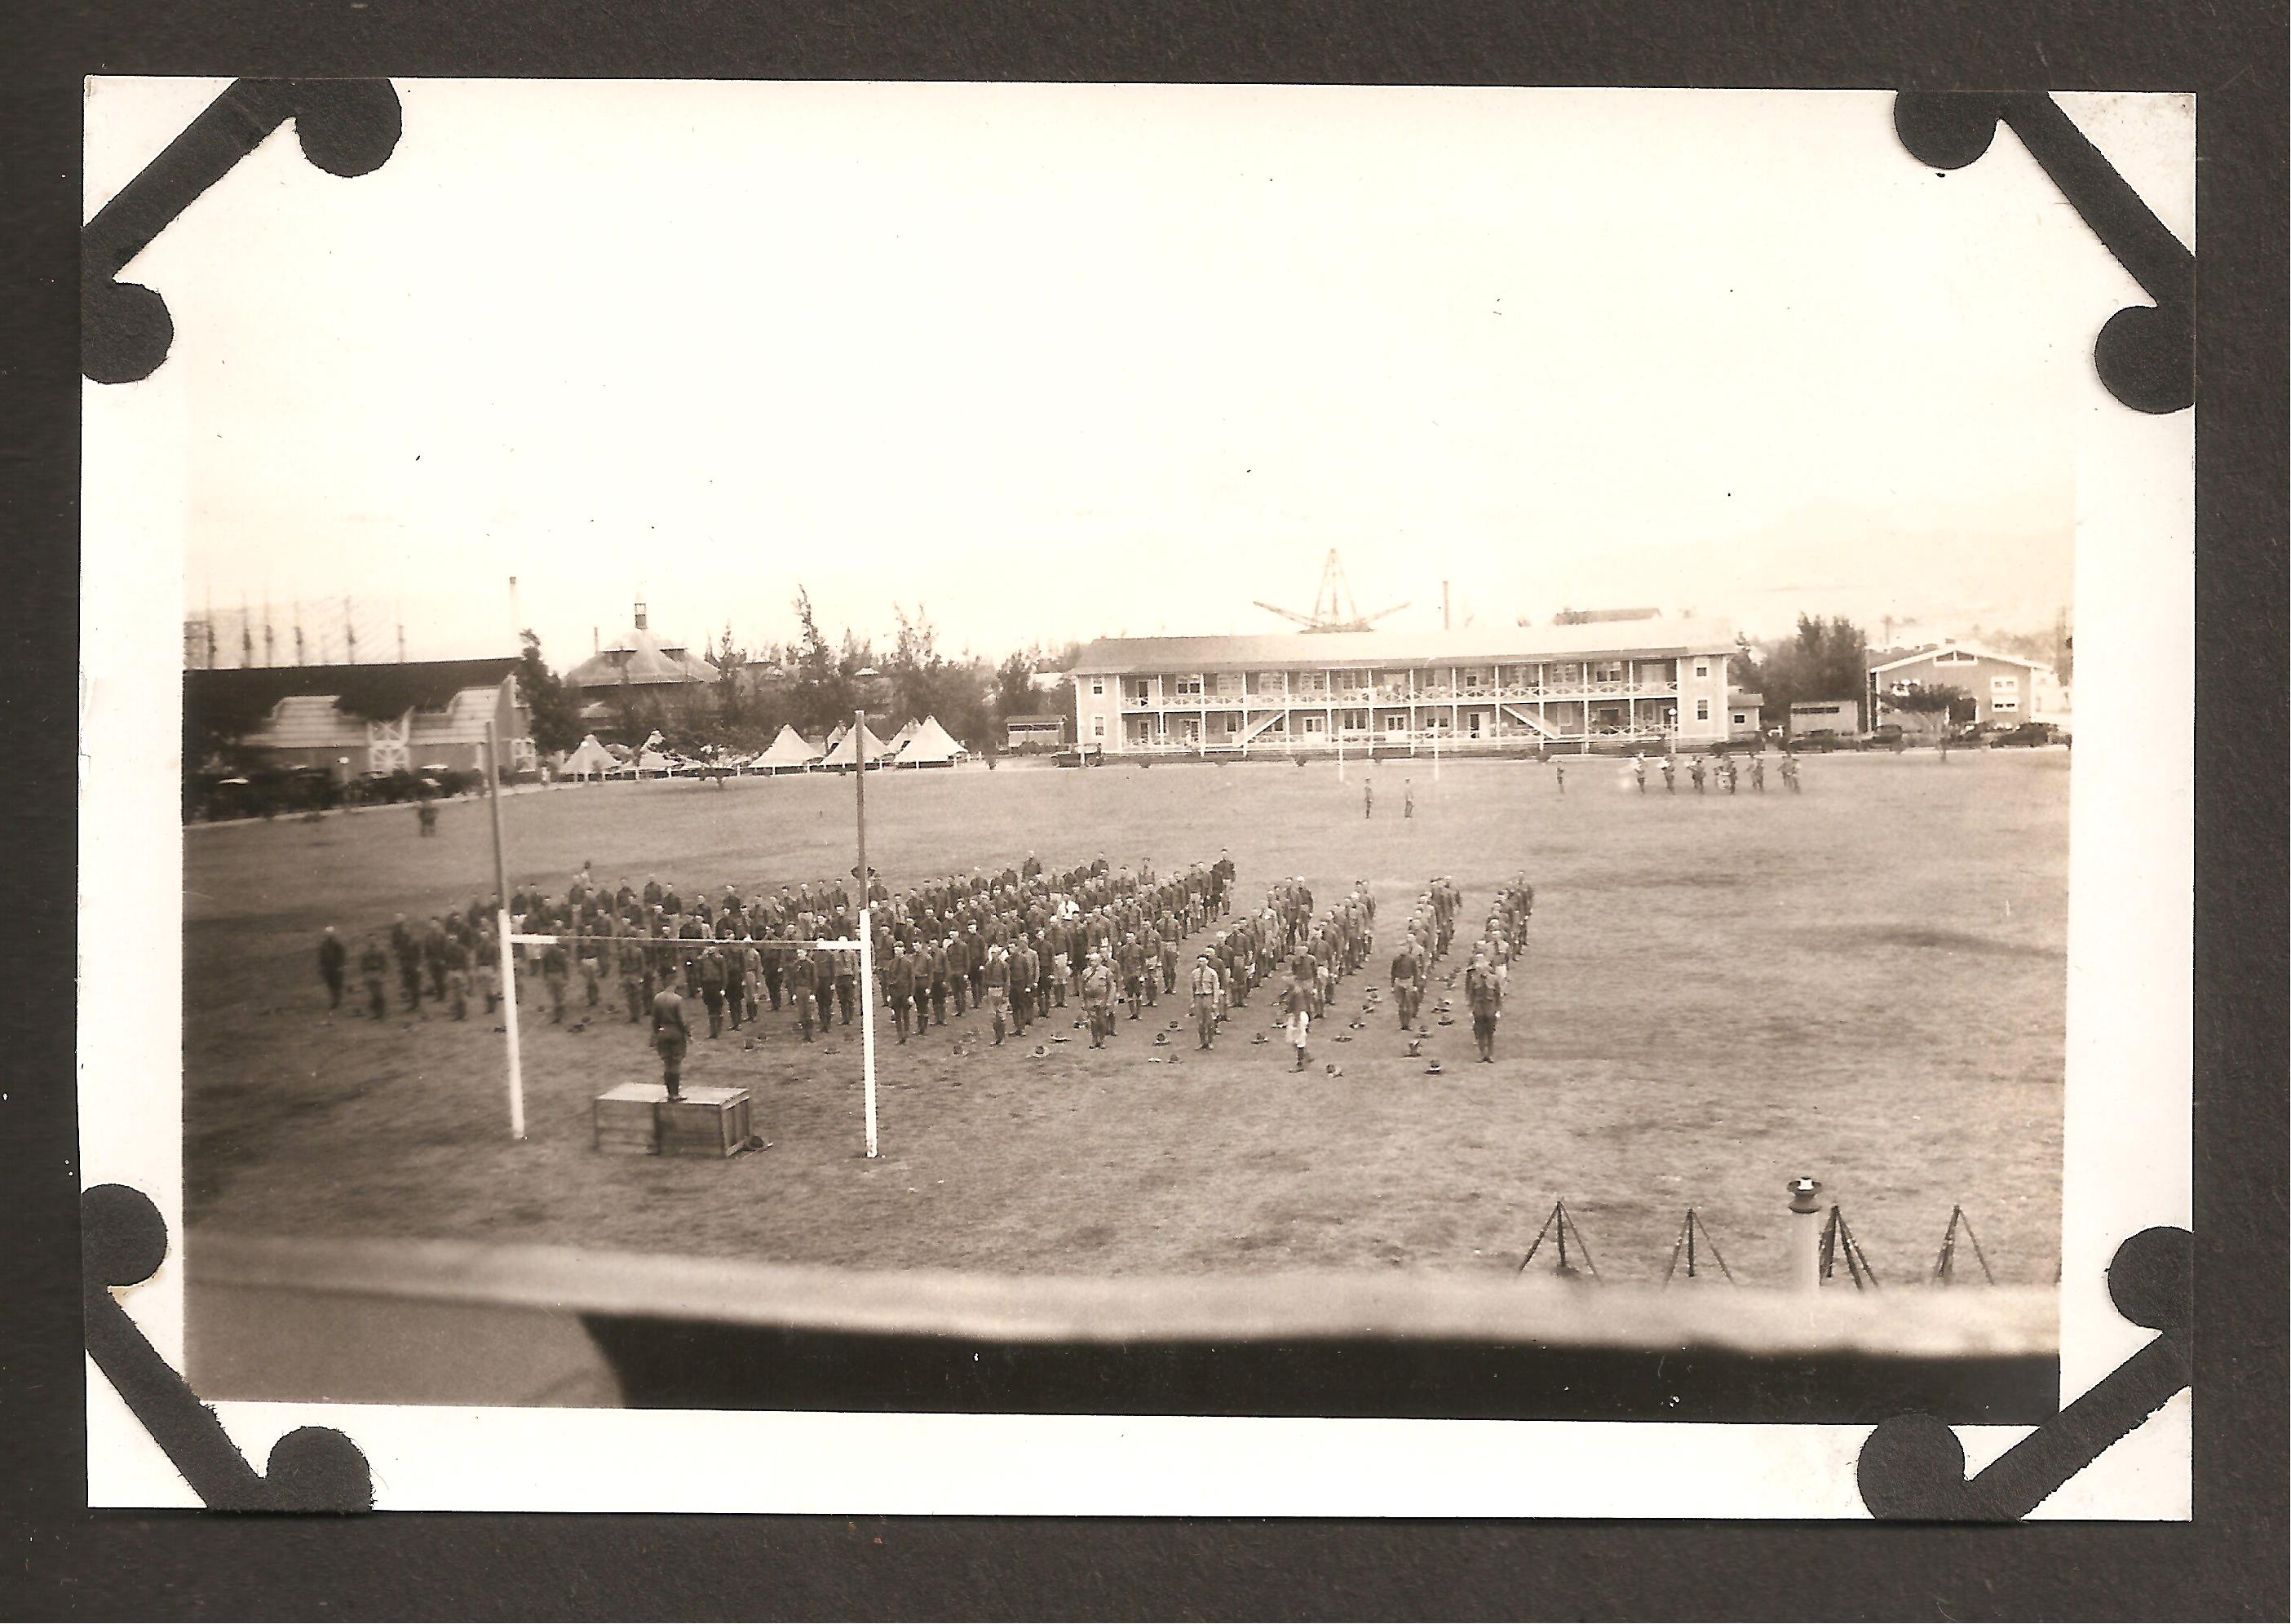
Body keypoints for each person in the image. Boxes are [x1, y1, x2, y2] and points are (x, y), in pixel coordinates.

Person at [651, 982, 691, 1100]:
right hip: (676, 1033)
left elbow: (654, 1020)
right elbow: (681, 1020)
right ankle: (675, 1093)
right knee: (676, 1063)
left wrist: (655, 1034)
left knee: (667, 1063)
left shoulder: (657, 998)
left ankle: (670, 1092)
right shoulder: (678, 1000)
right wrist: (688, 1033)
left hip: (662, 1033)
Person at [1464, 949, 1504, 1063]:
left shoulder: (1494, 979)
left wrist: (1498, 1011)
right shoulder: (1474, 980)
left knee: (1490, 1033)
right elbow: (1471, 995)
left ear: (1488, 968)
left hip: (1491, 1009)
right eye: (1479, 968)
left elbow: (1498, 996)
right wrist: (1470, 1009)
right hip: (1479, 1009)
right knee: (1480, 1033)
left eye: (1484, 968)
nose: (1482, 970)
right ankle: (1482, 1054)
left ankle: (1490, 1055)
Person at [1079, 950, 1116, 1048]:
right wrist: (1083, 1002)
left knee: (1102, 1020)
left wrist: (1109, 1001)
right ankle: (1094, 1040)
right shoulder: (1086, 972)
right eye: (1091, 960)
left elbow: (1112, 987)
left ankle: (1102, 1040)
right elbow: (1081, 988)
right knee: (1093, 1021)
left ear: (1100, 961)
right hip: (1090, 999)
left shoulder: (1106, 971)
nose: (1093, 962)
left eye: (1095, 960)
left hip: (1102, 998)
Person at [1281, 968, 1314, 1072]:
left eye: (1287, 979)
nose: (1285, 982)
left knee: (1299, 1040)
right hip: (1297, 1015)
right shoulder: (1292, 991)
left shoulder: (1297, 991)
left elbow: (1299, 1007)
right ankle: (1306, 1056)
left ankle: (1300, 1064)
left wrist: (1296, 1020)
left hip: (1299, 1016)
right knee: (1292, 1040)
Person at [1189, 951, 1221, 1050]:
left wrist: (1215, 1002)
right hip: (1199, 998)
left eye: (1203, 961)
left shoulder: (1212, 973)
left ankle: (1210, 1042)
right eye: (1199, 961)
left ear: (1207, 961)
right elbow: (1192, 988)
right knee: (1200, 1022)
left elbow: (1216, 988)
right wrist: (1193, 1002)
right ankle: (1202, 1042)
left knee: (1210, 1022)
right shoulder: (1194, 973)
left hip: (1208, 997)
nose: (1201, 963)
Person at [1391, 938, 1422, 1029]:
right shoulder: (1396, 960)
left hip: (1408, 981)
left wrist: (1415, 985)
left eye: (1404, 948)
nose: (1402, 950)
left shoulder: (1411, 960)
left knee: (1408, 1004)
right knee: (1400, 1004)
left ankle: (1407, 1024)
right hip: (1399, 981)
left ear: (1407, 949)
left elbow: (1415, 972)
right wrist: (1392, 985)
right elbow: (1392, 973)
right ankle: (1402, 1024)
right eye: (1400, 948)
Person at [357, 935, 388, 1020]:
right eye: (369, 940)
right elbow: (363, 964)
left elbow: (384, 963)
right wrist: (365, 975)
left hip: (377, 972)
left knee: (379, 994)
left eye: (373, 940)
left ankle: (381, 1013)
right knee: (373, 994)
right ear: (367, 942)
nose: (371, 942)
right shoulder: (365, 953)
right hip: (369, 973)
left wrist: (383, 974)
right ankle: (376, 1013)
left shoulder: (380, 951)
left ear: (376, 941)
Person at [316, 926, 347, 1011]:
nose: (329, 936)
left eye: (330, 934)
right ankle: (335, 1000)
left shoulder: (338, 944)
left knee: (337, 985)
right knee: (330, 985)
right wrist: (322, 967)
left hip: (336, 967)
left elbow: (342, 956)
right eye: (328, 934)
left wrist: (341, 966)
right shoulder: (324, 945)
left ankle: (336, 1001)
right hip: (328, 968)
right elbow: (321, 956)